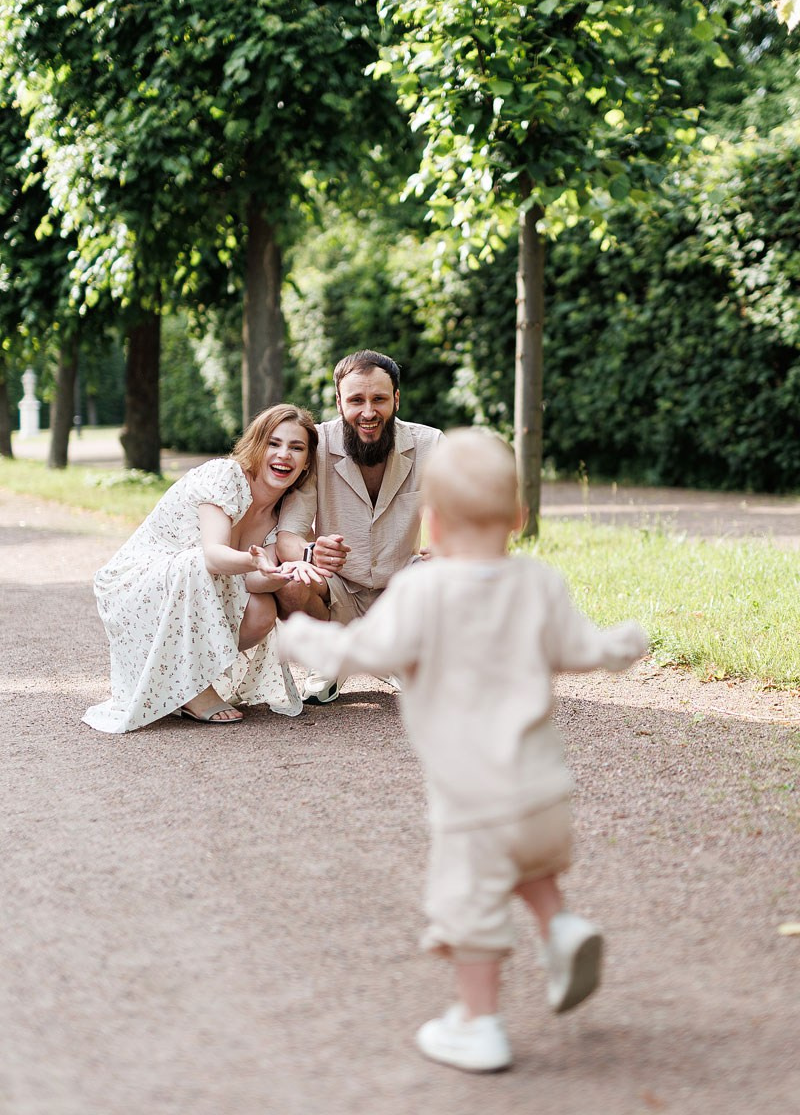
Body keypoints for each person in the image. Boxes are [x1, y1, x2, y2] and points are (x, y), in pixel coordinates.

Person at [276, 428, 649, 1072]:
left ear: (433, 524)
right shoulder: (538, 582)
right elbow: (583, 651)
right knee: (525, 862)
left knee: (470, 913)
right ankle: (560, 926)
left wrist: (304, 640)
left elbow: (361, 651)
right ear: (520, 518)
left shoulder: (423, 592)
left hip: (472, 803)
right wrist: (623, 643)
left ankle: (477, 1025)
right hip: (544, 794)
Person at [84, 404, 324, 734]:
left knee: (262, 609)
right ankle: (192, 690)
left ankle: (191, 678)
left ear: (307, 461)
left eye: (296, 448)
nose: (284, 455)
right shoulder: (226, 477)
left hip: (200, 582)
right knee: (194, 562)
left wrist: (277, 572)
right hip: (138, 583)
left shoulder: (284, 516)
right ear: (257, 445)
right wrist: (256, 561)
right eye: (274, 443)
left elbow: (252, 581)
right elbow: (213, 556)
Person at [275, 350, 443, 704]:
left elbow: (463, 515)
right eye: (356, 400)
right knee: (292, 582)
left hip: (401, 588)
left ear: (396, 399)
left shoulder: (432, 444)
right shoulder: (316, 446)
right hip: (336, 590)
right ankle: (329, 659)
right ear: (339, 402)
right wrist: (310, 552)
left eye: (379, 399)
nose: (368, 412)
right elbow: (286, 536)